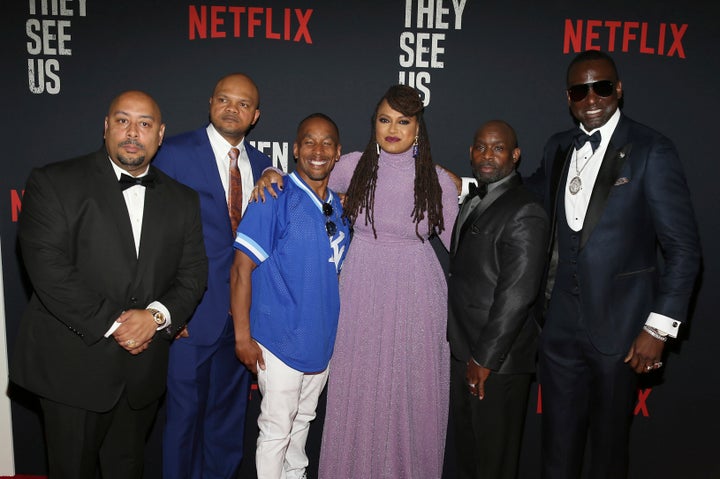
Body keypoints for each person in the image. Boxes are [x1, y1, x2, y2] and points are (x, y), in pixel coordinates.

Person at [10, 91, 208, 479]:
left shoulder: (182, 200)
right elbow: (48, 270)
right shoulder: (54, 182)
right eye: (122, 121)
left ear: (160, 134)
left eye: (145, 124)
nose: (133, 133)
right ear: (105, 127)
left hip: (142, 373)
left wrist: (155, 317)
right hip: (72, 369)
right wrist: (118, 323)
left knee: (127, 470)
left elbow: (194, 272)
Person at [531, 50, 701, 478]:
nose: (591, 98)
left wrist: (658, 329)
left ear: (618, 89)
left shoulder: (651, 149)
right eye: (579, 90)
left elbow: (683, 249)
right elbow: (525, 193)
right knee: (556, 451)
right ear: (568, 97)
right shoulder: (557, 146)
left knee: (608, 454)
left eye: (601, 87)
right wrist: (463, 187)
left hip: (622, 332)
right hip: (558, 329)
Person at [153, 73, 272, 479]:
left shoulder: (262, 165)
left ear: (254, 115)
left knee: (226, 421)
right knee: (183, 421)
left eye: (242, 104)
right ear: (210, 103)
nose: (231, 108)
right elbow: (150, 236)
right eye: (224, 99)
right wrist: (167, 310)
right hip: (190, 315)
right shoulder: (172, 153)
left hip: (242, 320)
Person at [230, 113, 350, 479]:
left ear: (338, 153)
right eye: (309, 142)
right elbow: (240, 270)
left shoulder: (340, 205)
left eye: (327, 142)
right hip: (278, 340)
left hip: (321, 340)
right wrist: (241, 336)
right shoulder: (273, 195)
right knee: (276, 430)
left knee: (302, 426)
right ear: (295, 148)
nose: (318, 150)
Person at [447, 120, 549, 479]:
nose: (487, 155)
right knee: (469, 460)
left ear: (516, 155)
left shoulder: (526, 209)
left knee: (494, 465)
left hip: (496, 364)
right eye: (480, 147)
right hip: (464, 353)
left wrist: (484, 359)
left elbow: (517, 295)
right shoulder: (477, 199)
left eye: (498, 148)